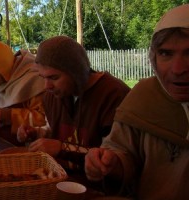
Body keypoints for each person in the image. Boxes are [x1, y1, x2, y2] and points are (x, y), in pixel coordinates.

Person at [84, 4, 189, 199]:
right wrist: (110, 162)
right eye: (166, 53)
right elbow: (122, 150)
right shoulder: (144, 96)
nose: (178, 68)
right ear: (154, 58)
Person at [17, 36, 130, 188]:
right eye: (43, 77)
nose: (47, 86)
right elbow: (55, 130)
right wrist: (36, 133)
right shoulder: (53, 96)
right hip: (59, 184)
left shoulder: (113, 95)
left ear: (76, 72)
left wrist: (62, 148)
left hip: (99, 191)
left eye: (54, 77)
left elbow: (112, 157)